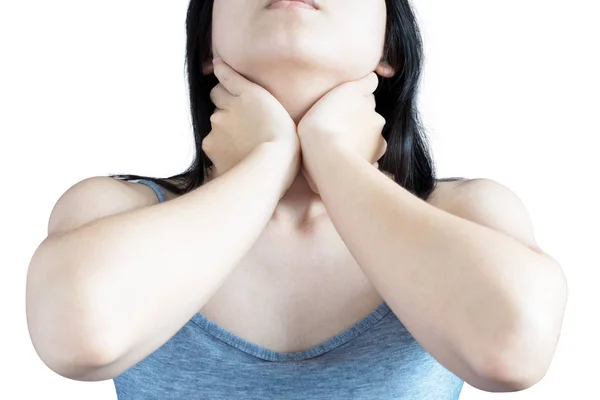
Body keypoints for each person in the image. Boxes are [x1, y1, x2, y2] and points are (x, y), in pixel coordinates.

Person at [26, 0, 567, 399]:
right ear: (206, 50)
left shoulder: (466, 213)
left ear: (390, 52)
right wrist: (266, 164)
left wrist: (334, 159)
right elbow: (77, 337)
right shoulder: (115, 209)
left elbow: (514, 350)